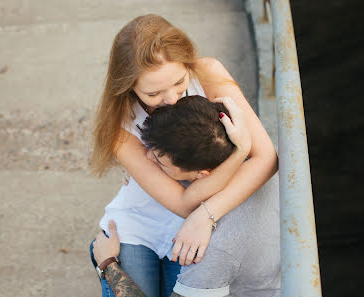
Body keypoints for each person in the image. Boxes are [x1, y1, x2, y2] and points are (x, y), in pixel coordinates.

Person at [90, 14, 278, 297]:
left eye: (179, 81)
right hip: (144, 221)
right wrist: (239, 152)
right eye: (153, 93)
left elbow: (267, 159)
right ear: (128, 86)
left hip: (192, 221)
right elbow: (181, 202)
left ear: (188, 61)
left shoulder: (209, 74)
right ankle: (105, 260)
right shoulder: (120, 126)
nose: (172, 99)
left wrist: (207, 215)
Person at [92, 96, 280, 297]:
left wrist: (108, 264)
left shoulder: (210, 250)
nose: (147, 159)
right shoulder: (253, 167)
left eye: (160, 162)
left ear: (201, 174)